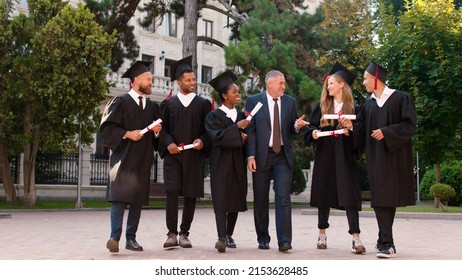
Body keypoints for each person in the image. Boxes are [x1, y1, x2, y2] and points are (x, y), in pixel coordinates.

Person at [342, 60, 417, 258]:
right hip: (376, 159)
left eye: (366, 79)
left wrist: (387, 132)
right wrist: (351, 127)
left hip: (394, 158)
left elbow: (409, 126)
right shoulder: (369, 105)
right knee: (381, 199)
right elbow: (360, 130)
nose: (364, 83)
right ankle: (385, 242)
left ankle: (385, 242)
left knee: (387, 199)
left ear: (376, 79)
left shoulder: (400, 98)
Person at [99, 61, 162, 253]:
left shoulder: (152, 107)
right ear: (136, 80)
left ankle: (131, 239)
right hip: (122, 158)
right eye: (148, 79)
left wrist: (157, 132)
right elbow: (107, 129)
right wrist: (127, 134)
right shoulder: (120, 102)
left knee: (136, 200)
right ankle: (114, 237)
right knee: (119, 198)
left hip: (142, 159)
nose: (151, 82)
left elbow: (157, 138)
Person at [305, 62, 365, 254]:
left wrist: (351, 130)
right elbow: (310, 127)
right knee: (324, 193)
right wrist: (313, 133)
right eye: (327, 84)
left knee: (350, 194)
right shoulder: (322, 106)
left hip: (345, 155)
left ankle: (356, 238)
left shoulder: (355, 108)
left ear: (341, 84)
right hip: (326, 154)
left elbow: (361, 134)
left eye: (331, 83)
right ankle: (322, 235)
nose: (328, 87)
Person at [245, 70, 308, 252]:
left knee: (283, 198)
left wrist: (296, 126)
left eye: (284, 82)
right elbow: (251, 131)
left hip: (282, 157)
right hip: (261, 156)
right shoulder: (253, 101)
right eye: (280, 82)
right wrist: (250, 156)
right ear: (269, 84)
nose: (283, 86)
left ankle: (284, 240)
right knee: (261, 199)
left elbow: (290, 127)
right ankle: (263, 238)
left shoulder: (290, 102)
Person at [158, 56, 212, 249]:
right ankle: (171, 233)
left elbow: (209, 130)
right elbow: (160, 129)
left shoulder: (203, 105)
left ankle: (184, 234)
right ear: (179, 81)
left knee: (190, 195)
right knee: (172, 193)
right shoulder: (168, 104)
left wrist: (202, 141)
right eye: (188, 80)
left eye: (194, 79)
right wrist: (168, 143)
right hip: (173, 156)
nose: (193, 83)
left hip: (194, 156)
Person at [205, 70, 250, 253]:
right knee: (222, 199)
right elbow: (217, 138)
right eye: (234, 92)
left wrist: (244, 138)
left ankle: (229, 234)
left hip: (237, 162)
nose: (238, 94)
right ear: (224, 95)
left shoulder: (242, 115)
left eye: (238, 92)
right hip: (220, 163)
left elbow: (246, 138)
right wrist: (236, 129)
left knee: (236, 197)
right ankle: (221, 236)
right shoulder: (213, 116)